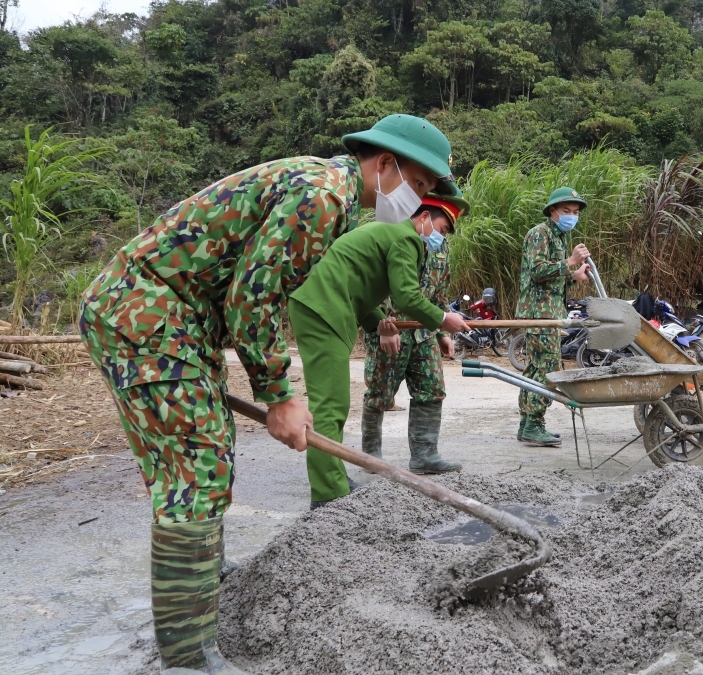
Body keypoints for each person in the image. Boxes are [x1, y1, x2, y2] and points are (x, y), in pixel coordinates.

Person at [77, 113, 457, 674]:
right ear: (386, 164)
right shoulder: (322, 195)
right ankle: (188, 654)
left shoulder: (326, 190)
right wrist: (280, 394)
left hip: (169, 319)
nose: (418, 200)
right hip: (149, 312)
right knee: (196, 464)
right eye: (420, 186)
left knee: (202, 453)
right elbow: (250, 298)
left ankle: (204, 576)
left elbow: (253, 290)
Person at [360, 193, 468, 475]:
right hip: (391, 331)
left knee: (432, 390)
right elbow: (371, 286)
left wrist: (443, 333)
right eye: (442, 229)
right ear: (423, 218)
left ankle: (425, 455)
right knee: (379, 394)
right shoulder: (394, 239)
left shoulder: (440, 249)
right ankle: (371, 456)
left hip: (424, 334)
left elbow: (440, 293)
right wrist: (382, 325)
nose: (442, 236)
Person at [515, 187, 592, 446]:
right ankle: (534, 424)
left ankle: (528, 424)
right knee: (548, 369)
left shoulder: (559, 238)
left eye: (575, 212)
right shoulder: (540, 234)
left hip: (549, 311)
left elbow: (552, 276)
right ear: (552, 211)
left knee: (536, 369)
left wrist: (574, 275)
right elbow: (536, 271)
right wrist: (570, 262)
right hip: (538, 312)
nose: (572, 216)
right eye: (566, 211)